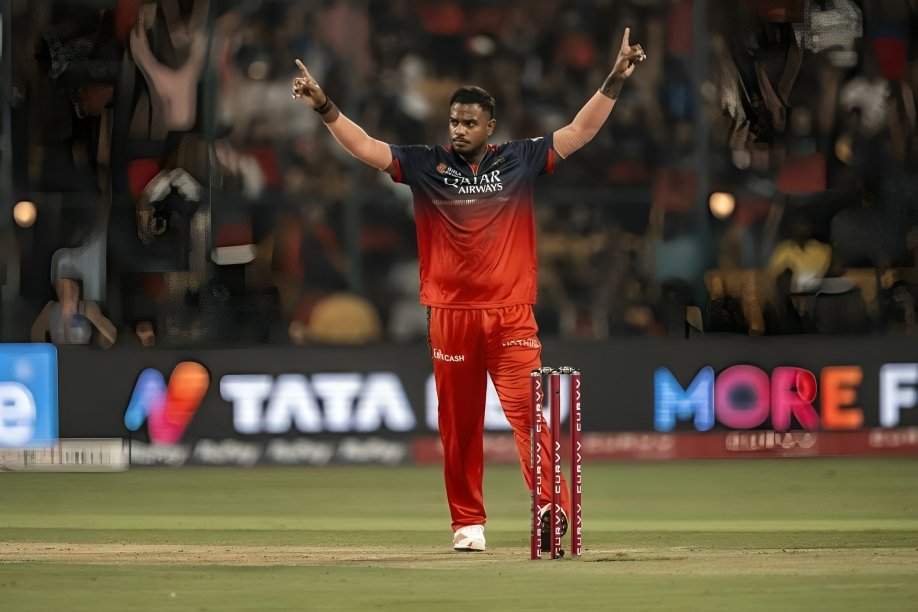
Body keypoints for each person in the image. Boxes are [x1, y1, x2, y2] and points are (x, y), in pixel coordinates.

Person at [292, 28, 646, 552]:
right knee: (458, 427)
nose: (458, 129)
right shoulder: (424, 164)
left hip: (511, 314)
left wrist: (614, 79)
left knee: (529, 417)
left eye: (469, 123)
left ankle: (549, 507)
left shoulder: (520, 158)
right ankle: (467, 524)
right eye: (454, 121)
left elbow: (579, 131)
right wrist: (325, 107)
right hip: (450, 314)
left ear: (490, 126)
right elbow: (367, 148)